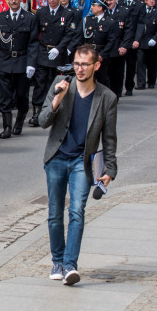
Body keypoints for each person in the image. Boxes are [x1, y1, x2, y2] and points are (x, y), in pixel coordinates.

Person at [39, 43, 118, 286]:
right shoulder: (61, 85)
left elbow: (109, 137)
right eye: (76, 64)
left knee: (76, 211)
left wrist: (110, 169)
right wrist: (57, 98)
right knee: (55, 214)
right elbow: (42, 120)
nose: (80, 69)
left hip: (81, 162)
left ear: (96, 66)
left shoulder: (107, 97)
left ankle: (70, 265)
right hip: (57, 158)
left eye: (85, 64)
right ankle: (58, 261)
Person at [0, 0, 39, 138]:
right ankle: (7, 127)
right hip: (4, 61)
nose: (13, 1)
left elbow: (33, 43)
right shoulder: (0, 18)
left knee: (21, 96)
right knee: (5, 96)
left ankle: (19, 122)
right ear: (7, 0)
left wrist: (31, 63)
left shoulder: (30, 18)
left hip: (22, 61)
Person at [29, 0, 77, 126]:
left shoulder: (67, 13)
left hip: (58, 53)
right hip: (43, 51)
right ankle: (37, 112)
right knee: (40, 83)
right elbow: (35, 33)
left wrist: (59, 48)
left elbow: (69, 34)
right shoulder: (41, 12)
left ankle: (55, 111)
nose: (52, 0)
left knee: (56, 82)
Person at [136, 0, 157, 89]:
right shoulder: (141, 10)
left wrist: (155, 39)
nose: (152, 1)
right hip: (142, 41)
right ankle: (141, 83)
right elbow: (137, 24)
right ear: (145, 0)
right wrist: (136, 39)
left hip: (153, 42)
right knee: (140, 63)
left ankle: (151, 81)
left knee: (153, 63)